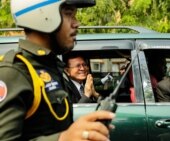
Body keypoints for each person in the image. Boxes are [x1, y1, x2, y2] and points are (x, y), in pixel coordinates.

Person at [0, 0, 115, 141]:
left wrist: (81, 131)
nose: (76, 23)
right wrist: (63, 139)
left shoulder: (51, 67)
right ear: (43, 16)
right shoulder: (14, 72)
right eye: (68, 14)